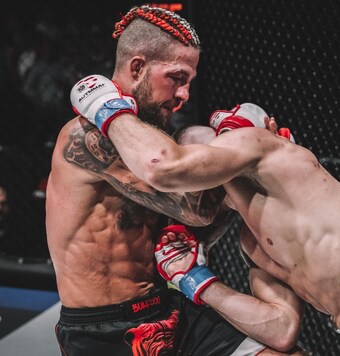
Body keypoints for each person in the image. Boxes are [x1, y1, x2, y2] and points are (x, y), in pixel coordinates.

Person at [70, 85, 340, 354]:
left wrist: (107, 109)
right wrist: (196, 280)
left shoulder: (262, 148)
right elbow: (281, 329)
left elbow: (163, 165)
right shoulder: (252, 241)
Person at [47, 6, 301, 355]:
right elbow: (195, 211)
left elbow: (190, 227)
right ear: (137, 68)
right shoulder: (88, 138)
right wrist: (246, 154)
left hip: (167, 306)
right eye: (177, 78)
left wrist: (258, 162)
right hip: (104, 329)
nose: (184, 94)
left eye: (189, 83)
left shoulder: (158, 135)